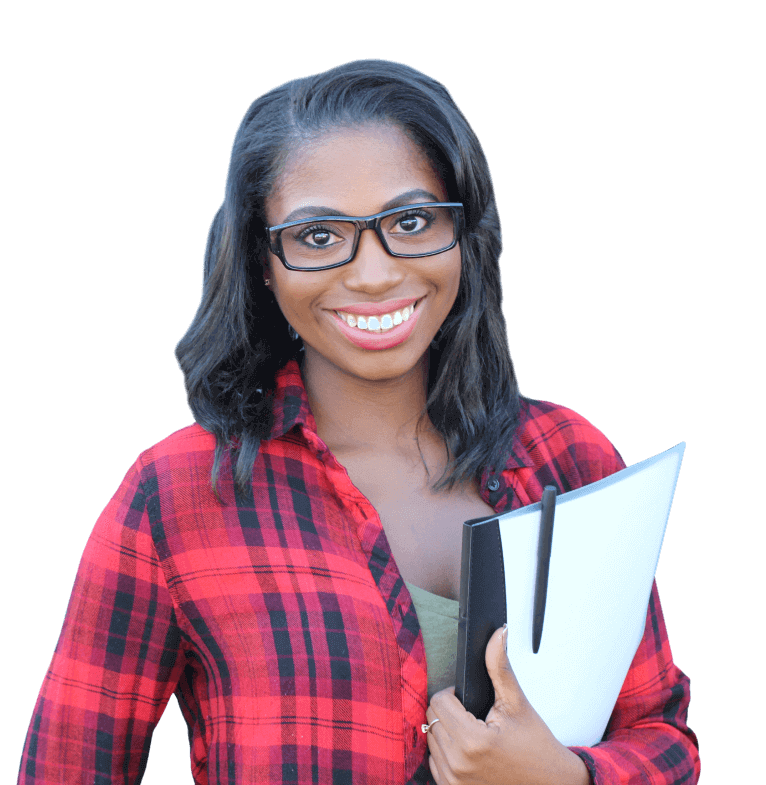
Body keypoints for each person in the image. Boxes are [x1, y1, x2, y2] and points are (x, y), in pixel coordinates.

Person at [18, 60, 699, 785]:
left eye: (410, 222)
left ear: (464, 233)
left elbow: (664, 735)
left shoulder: (570, 456)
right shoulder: (177, 494)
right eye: (318, 236)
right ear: (261, 259)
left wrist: (565, 777)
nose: (373, 274)